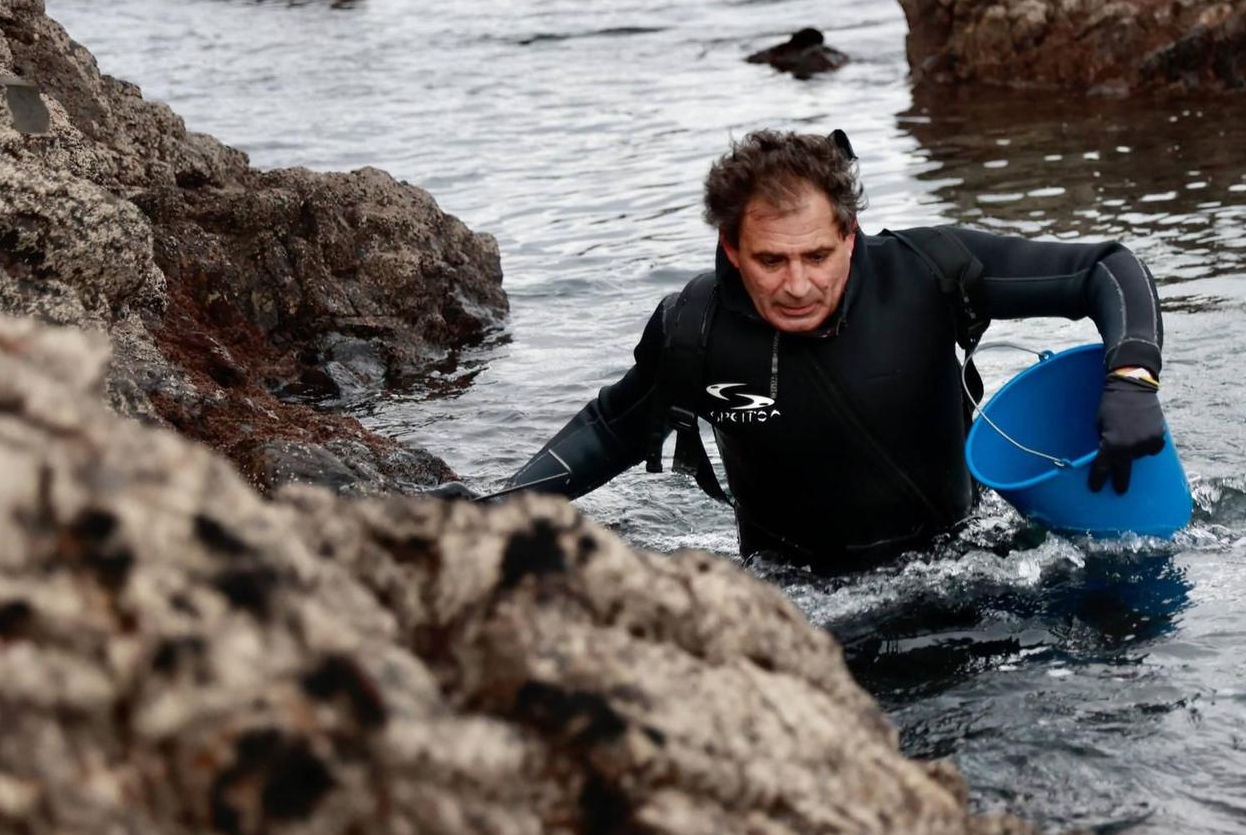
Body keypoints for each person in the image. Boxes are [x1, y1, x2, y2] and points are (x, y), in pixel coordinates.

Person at [481, 129, 1168, 571]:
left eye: (817, 253)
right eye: (771, 260)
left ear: (849, 233)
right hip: (799, 610)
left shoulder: (926, 273)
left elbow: (1104, 269)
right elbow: (611, 428)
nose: (798, 284)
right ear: (731, 248)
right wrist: (500, 503)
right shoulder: (696, 329)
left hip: (969, 573)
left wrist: (1133, 376)